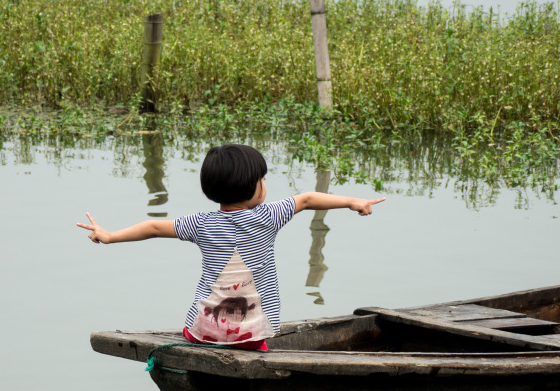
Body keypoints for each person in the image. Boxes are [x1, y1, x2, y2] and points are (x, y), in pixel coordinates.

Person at [77, 143, 385, 350]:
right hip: (253, 336)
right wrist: (352, 202)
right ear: (254, 187)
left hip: (200, 332)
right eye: (262, 178)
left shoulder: (201, 223)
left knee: (198, 322)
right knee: (260, 340)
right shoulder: (268, 217)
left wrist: (110, 235)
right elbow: (307, 199)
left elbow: (154, 227)